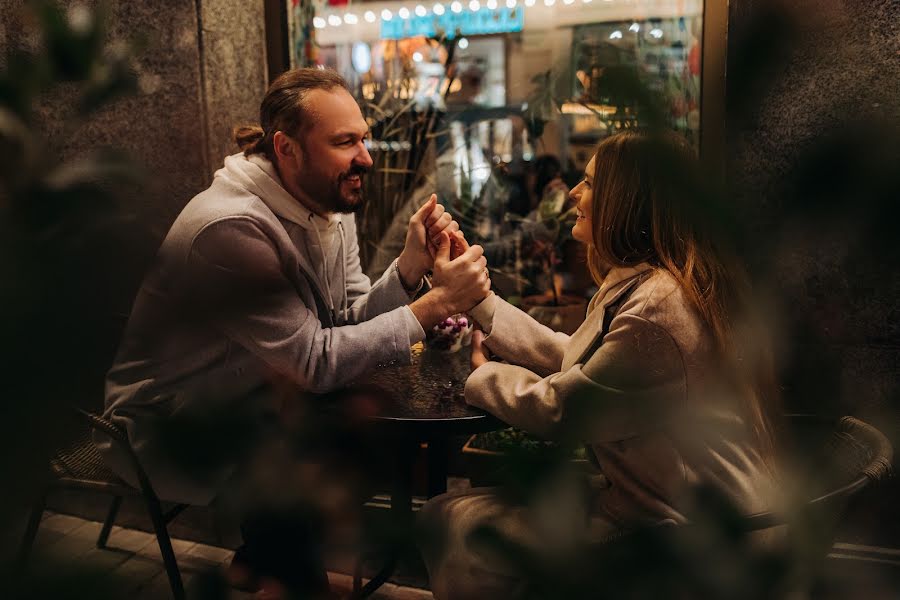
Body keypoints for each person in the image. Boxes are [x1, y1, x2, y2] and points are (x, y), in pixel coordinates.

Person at [95, 68, 490, 596]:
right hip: (170, 421)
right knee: (318, 447)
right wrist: (434, 305)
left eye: (364, 138)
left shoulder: (326, 205)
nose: (367, 158)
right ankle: (286, 569)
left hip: (256, 395)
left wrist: (406, 269)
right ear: (287, 148)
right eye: (345, 142)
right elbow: (314, 362)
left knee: (351, 426)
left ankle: (265, 558)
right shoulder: (230, 229)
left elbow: (345, 322)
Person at [419, 130, 781, 599]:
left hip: (696, 529)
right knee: (448, 514)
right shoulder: (652, 284)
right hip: (665, 501)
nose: (573, 192)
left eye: (589, 183)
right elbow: (578, 358)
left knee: (460, 528)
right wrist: (478, 301)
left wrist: (480, 375)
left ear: (627, 201)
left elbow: (564, 411)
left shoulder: (657, 309)